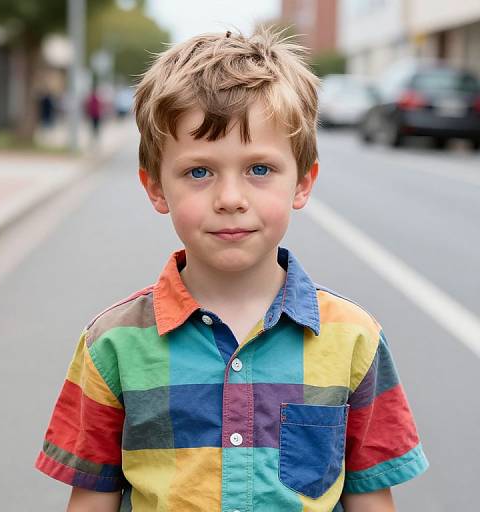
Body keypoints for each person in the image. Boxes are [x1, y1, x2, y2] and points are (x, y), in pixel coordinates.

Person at [35, 28, 428, 512]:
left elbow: (371, 498)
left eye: (259, 169)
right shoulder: (111, 345)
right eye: (199, 172)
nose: (230, 199)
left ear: (302, 183)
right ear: (157, 188)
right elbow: (91, 500)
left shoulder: (354, 340)